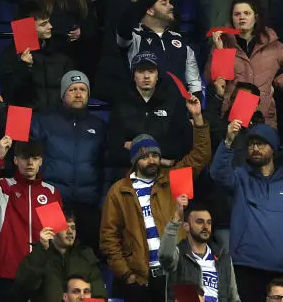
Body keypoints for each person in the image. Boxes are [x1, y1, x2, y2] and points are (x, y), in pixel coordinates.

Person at [100, 95, 210, 302]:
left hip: (177, 274)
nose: (151, 160)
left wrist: (198, 119)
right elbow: (109, 238)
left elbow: (201, 155)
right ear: (134, 161)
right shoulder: (119, 191)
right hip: (140, 281)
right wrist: (126, 274)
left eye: (155, 155)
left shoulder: (172, 179)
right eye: (144, 156)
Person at [210, 121, 283, 301]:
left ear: (273, 148)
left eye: (261, 143)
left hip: (281, 268)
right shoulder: (240, 176)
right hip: (245, 265)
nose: (255, 148)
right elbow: (217, 173)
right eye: (251, 144)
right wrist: (228, 142)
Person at [205, 0, 283, 130]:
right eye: (236, 14)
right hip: (232, 117)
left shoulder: (272, 45)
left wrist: (276, 84)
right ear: (232, 18)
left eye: (246, 13)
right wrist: (220, 51)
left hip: (262, 116)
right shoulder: (223, 44)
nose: (241, 17)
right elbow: (211, 79)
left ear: (255, 17)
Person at [0, 138, 62, 299]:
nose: (30, 162)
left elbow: (56, 235)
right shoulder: (4, 186)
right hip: (11, 271)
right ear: (16, 160)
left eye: (35, 158)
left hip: (42, 272)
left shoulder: (50, 192)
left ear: (41, 162)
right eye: (25, 157)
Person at [30, 71, 105, 249]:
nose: (78, 94)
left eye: (82, 89)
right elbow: (29, 156)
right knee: (55, 256)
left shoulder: (99, 126)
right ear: (63, 94)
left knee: (88, 258)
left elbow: (106, 166)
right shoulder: (44, 121)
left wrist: (102, 201)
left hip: (89, 205)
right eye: (72, 89)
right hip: (53, 203)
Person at [118, 0, 204, 96]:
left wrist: (196, 109)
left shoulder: (180, 40)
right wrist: (133, 3)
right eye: (164, 3)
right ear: (150, 10)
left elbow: (194, 82)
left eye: (170, 2)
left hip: (178, 111)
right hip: (146, 109)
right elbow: (123, 28)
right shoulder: (135, 37)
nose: (171, 6)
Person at [159, 196, 240, 302]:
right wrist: (176, 219)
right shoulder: (179, 255)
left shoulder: (222, 256)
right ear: (186, 226)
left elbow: (233, 297)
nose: (206, 226)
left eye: (209, 222)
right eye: (200, 222)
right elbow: (165, 256)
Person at [14, 211, 107, 302]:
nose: (70, 232)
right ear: (52, 231)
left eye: (73, 227)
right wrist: (41, 250)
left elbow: (100, 294)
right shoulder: (39, 255)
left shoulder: (86, 256)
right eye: (65, 227)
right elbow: (24, 287)